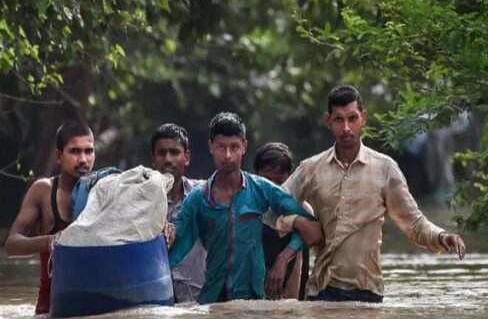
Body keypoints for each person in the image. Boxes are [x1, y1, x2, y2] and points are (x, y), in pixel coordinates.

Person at [272, 85, 466, 302]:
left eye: (352, 118)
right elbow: (271, 208)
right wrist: (299, 222)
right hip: (322, 291)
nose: (346, 128)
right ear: (328, 121)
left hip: (368, 293)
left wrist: (441, 236)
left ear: (363, 118)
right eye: (339, 120)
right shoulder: (311, 169)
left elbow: (414, 223)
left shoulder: (385, 169)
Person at [166, 112, 319, 304]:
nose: (228, 156)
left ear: (244, 147)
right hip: (214, 299)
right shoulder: (199, 199)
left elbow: (310, 225)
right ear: (211, 147)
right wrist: (166, 233)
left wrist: (283, 259)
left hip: (254, 300)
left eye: (234, 147)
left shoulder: (261, 189)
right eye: (221, 147)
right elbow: (175, 242)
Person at [5, 121, 95, 314]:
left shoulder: (104, 191)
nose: (83, 159)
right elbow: (11, 245)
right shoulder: (43, 191)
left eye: (89, 151)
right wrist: (49, 241)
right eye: (75, 151)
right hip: (51, 311)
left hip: (95, 307)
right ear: (59, 156)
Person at [150, 123, 207, 303]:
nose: (168, 159)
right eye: (161, 153)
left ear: (187, 157)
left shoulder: (205, 194)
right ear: (153, 159)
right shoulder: (141, 202)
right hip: (155, 301)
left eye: (175, 152)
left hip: (199, 302)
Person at [253, 142, 310, 300]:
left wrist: (290, 305)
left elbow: (299, 266)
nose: (272, 187)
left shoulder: (302, 209)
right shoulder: (249, 209)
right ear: (255, 176)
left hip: (291, 292)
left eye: (279, 181)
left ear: (290, 179)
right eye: (266, 180)